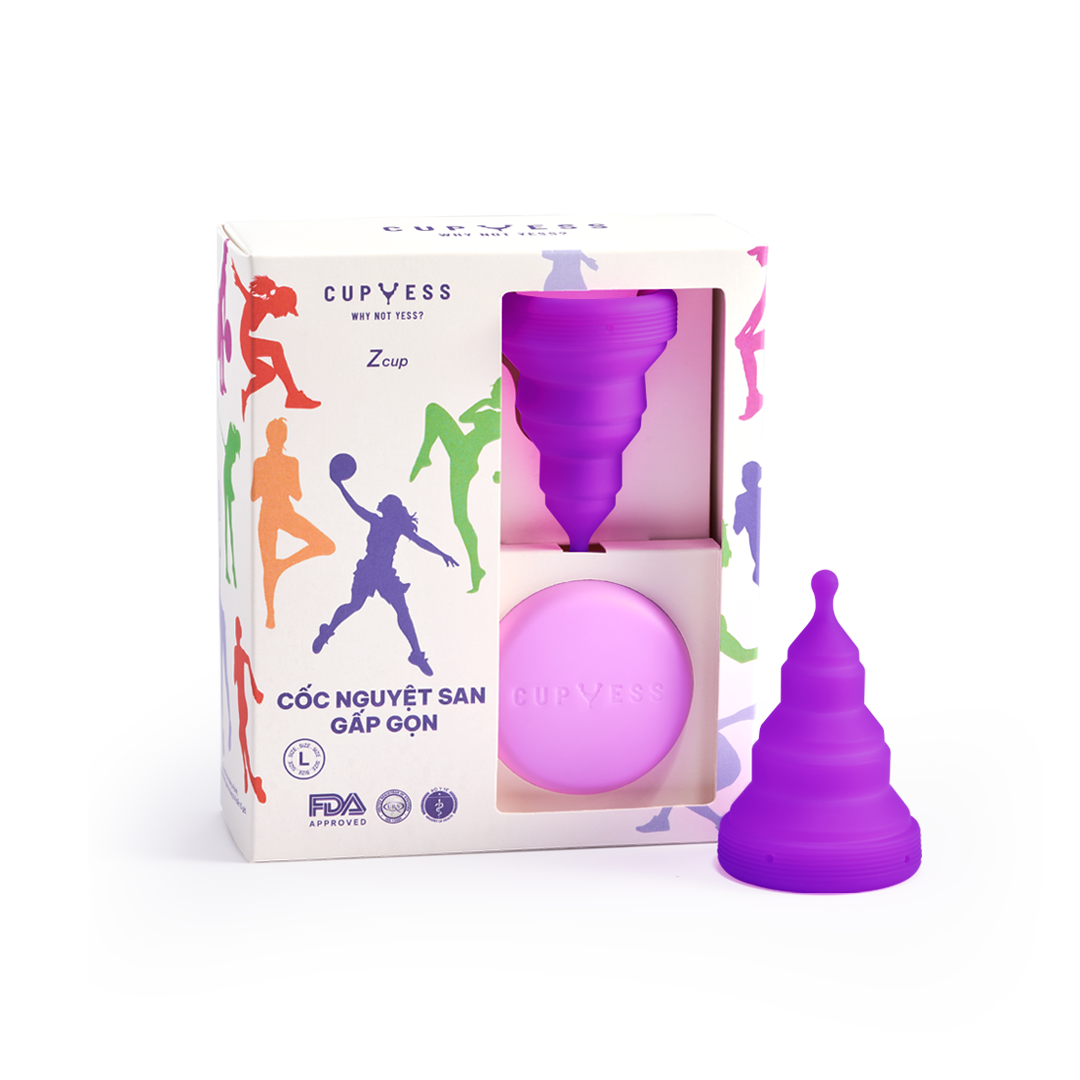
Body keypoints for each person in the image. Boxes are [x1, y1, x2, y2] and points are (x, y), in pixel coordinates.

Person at [314, 457, 457, 677]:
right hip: (370, 570)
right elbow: (356, 507)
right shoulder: (379, 522)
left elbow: (421, 542)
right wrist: (340, 486)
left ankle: (416, 654)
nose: (379, 503)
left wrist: (442, 553)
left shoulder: (388, 525)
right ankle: (328, 631)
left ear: (389, 508)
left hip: (383, 573)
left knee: (397, 611)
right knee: (357, 605)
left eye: (384, 502)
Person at [409, 380, 500, 592]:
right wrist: (485, 402)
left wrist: (497, 473)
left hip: (465, 459)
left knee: (461, 518)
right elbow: (463, 418)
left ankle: (424, 455)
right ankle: (476, 569)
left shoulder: (496, 417)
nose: (493, 394)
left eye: (495, 391)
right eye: (493, 391)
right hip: (460, 452)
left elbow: (472, 424)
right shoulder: (490, 412)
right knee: (460, 519)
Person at [251, 418, 335, 629]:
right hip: (278, 514)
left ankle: (281, 567)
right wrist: (278, 479)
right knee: (324, 546)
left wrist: (271, 480)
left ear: (268, 437)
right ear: (284, 437)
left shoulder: (268, 462)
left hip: (274, 514)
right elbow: (296, 494)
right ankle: (270, 614)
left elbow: (255, 495)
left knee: (325, 546)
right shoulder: (284, 462)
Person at [232, 262, 319, 418]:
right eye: (286, 310)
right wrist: (237, 280)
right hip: (245, 346)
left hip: (245, 345)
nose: (284, 315)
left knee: (268, 374)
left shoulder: (262, 304)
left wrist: (239, 283)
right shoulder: (261, 304)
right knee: (276, 349)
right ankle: (293, 395)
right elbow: (249, 299)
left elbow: (248, 297)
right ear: (279, 301)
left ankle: (246, 394)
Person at [233, 618, 266, 803]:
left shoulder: (242, 652)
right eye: (238, 630)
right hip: (242, 700)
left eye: (238, 630)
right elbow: (242, 677)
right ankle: (248, 775)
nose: (238, 633)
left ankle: (249, 774)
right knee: (243, 735)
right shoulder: (240, 651)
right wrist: (256, 692)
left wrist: (256, 692)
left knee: (244, 735)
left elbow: (244, 677)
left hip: (243, 700)